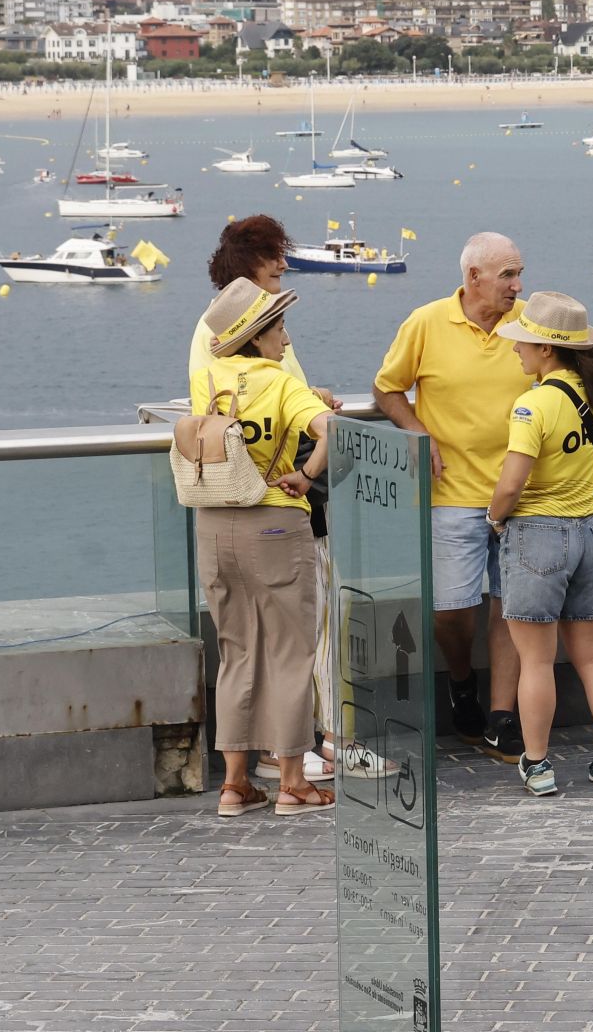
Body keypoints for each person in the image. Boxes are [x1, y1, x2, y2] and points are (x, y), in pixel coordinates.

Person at [187, 216, 352, 787]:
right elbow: (326, 429)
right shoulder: (280, 380)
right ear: (258, 336)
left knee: (236, 653)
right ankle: (291, 780)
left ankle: (233, 784)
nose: (285, 337)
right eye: (278, 329)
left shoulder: (209, 381)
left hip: (215, 521)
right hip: (276, 522)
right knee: (289, 653)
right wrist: (306, 475)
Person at [373, 232, 531, 761]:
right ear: (473, 278)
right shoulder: (426, 322)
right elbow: (386, 388)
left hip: (523, 493)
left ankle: (503, 718)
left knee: (513, 608)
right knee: (452, 609)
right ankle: (462, 683)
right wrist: (417, 431)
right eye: (507, 275)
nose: (517, 284)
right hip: (452, 493)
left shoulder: (532, 323)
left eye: (518, 273)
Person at [485, 293, 593, 797]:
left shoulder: (533, 404)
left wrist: (494, 517)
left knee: (534, 660)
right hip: (590, 533)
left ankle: (536, 763)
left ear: (547, 350)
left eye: (523, 343)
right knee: (592, 656)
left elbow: (512, 483)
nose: (516, 351)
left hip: (537, 535)